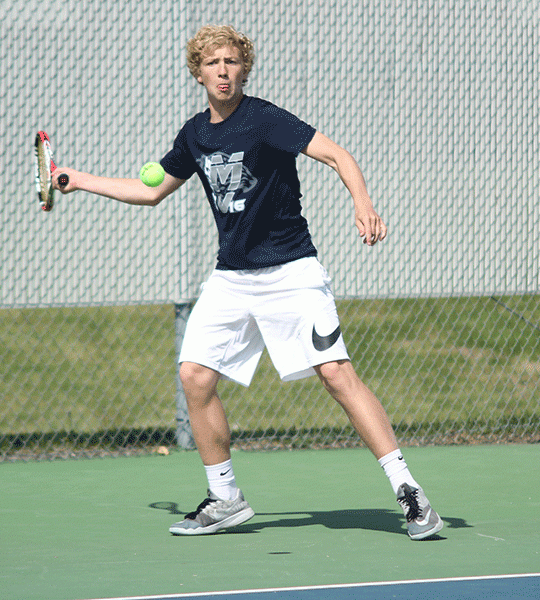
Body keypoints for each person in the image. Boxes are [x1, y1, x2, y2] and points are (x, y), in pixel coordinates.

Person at [53, 25, 442, 541]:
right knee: (194, 376)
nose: (223, 71)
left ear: (243, 69)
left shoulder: (265, 120)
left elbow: (337, 155)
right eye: (213, 63)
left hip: (291, 271)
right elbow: (151, 193)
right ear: (198, 72)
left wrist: (362, 202)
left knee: (336, 374)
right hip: (232, 277)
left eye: (233, 62)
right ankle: (226, 498)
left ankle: (409, 492)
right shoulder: (196, 134)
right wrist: (78, 179)